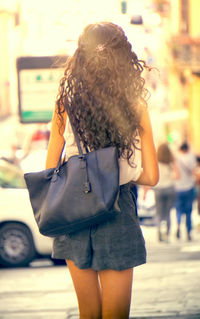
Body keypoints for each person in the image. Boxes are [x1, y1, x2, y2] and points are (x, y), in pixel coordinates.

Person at [46, 22, 159, 319]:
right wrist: (121, 174)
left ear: (80, 56)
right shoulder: (135, 106)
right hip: (117, 209)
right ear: (124, 56)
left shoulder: (65, 104)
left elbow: (50, 169)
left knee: (88, 313)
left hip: (73, 212)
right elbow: (152, 177)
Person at [154, 143, 178, 242]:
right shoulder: (171, 163)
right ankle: (167, 233)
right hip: (169, 189)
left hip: (159, 189)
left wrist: (145, 191)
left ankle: (159, 230)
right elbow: (177, 176)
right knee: (168, 212)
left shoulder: (156, 163)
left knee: (159, 212)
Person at [175, 142, 196, 241]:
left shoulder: (176, 158)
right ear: (187, 148)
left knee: (179, 210)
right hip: (189, 187)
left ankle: (178, 225)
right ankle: (188, 232)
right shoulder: (191, 157)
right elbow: (194, 171)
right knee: (188, 211)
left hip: (178, 188)